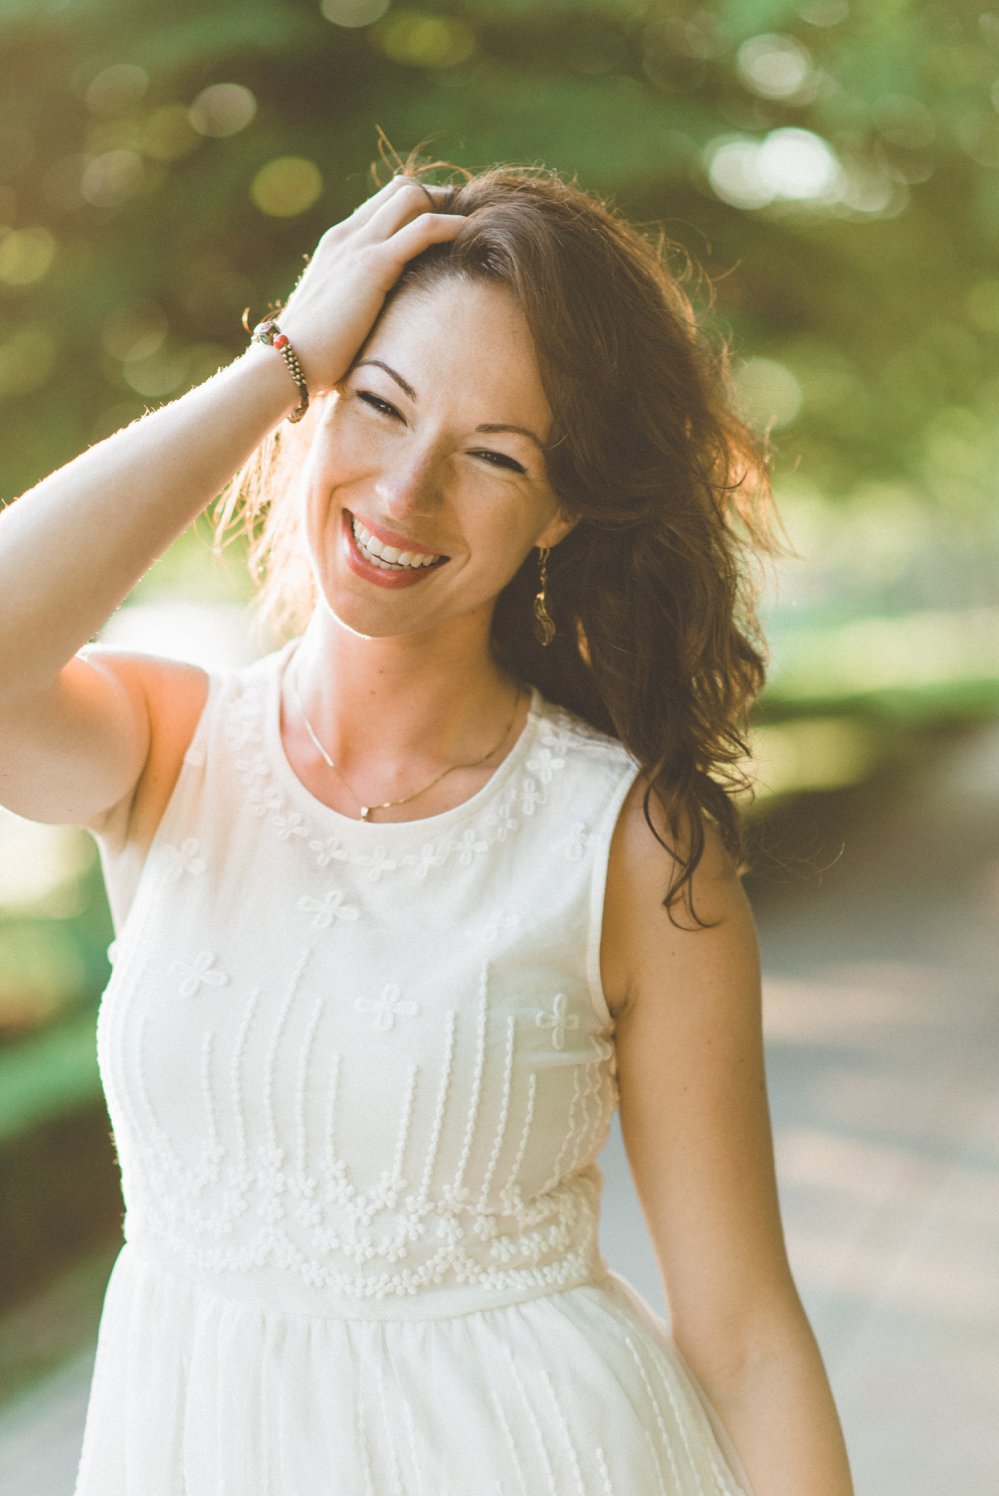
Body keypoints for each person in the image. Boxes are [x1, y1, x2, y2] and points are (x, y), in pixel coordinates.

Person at [0, 162, 853, 1495]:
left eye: (494, 456)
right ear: (317, 405)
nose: (406, 495)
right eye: (379, 405)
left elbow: (744, 1337)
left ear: (564, 507)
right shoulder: (164, 748)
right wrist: (280, 362)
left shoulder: (631, 843)